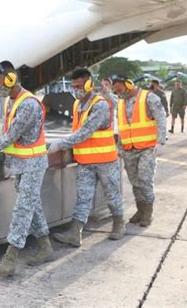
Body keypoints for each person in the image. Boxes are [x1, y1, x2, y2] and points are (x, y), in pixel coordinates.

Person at [0, 60, 53, 277]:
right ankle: (45, 247)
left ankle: (10, 257)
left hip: (33, 164)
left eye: (0, 83)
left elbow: (11, 135)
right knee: (32, 206)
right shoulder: (12, 101)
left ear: (11, 79)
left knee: (22, 209)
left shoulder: (28, 104)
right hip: (20, 164)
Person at [49, 68, 124, 247]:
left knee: (112, 193)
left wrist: (62, 143)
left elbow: (85, 132)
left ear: (90, 84)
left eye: (79, 86)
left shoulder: (100, 104)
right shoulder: (77, 105)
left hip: (105, 160)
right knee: (82, 198)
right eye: (73, 86)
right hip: (85, 161)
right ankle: (75, 234)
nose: (76, 90)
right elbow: (76, 129)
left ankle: (119, 224)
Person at [112, 75, 166, 227]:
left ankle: (148, 212)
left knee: (144, 179)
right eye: (115, 91)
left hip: (147, 148)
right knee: (134, 181)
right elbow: (121, 126)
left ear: (129, 84)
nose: (118, 93)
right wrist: (119, 147)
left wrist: (161, 141)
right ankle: (140, 210)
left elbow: (161, 118)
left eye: (120, 89)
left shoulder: (149, 97)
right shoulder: (120, 102)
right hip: (129, 149)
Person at [100, 77, 119, 141]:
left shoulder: (115, 97)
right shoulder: (97, 97)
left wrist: (107, 93)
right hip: (100, 129)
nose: (104, 87)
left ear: (111, 86)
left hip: (112, 129)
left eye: (106, 85)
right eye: (102, 85)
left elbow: (115, 104)